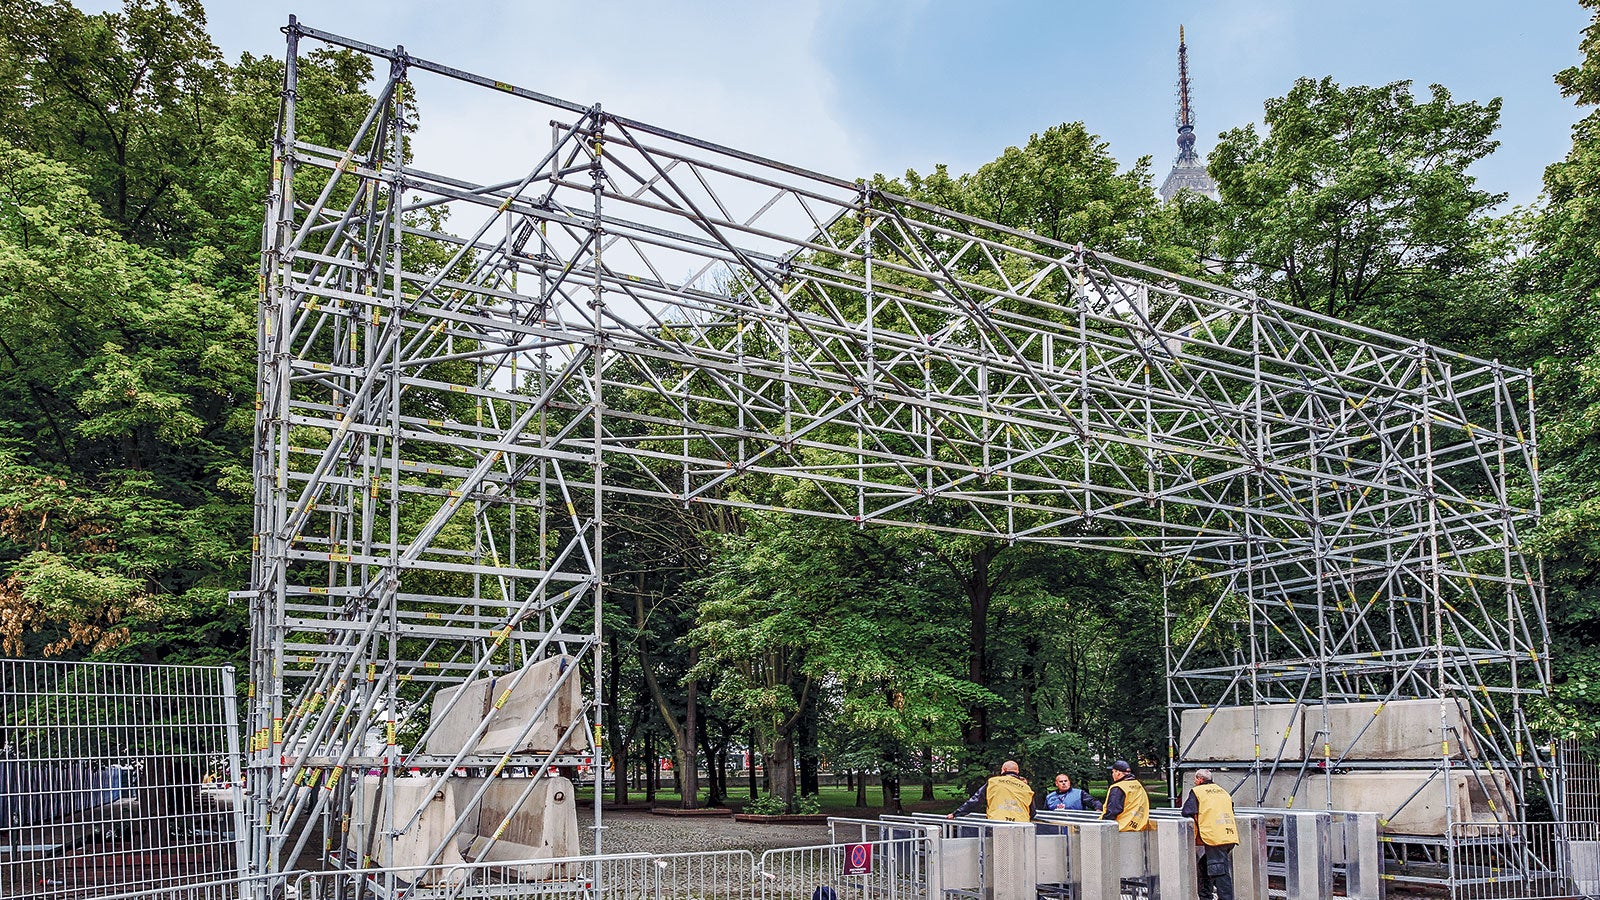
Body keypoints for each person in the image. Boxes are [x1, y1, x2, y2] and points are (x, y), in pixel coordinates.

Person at [1181, 769, 1238, 900]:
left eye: (1195, 779)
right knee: (1205, 865)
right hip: (1229, 834)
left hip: (1213, 837)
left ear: (1200, 779)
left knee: (1219, 871)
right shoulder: (1222, 791)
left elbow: (1187, 811)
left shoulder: (1198, 792)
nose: (1194, 782)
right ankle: (1205, 896)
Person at [947, 759, 1034, 821]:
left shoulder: (994, 782)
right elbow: (1032, 812)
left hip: (997, 822)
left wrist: (956, 813)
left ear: (1003, 770)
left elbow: (975, 800)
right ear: (1017, 772)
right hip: (1022, 825)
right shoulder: (1026, 787)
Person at [1099, 759, 1153, 831]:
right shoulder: (1138, 785)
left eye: (1113, 772)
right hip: (1138, 827)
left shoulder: (1118, 788)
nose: (1112, 775)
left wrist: (1103, 825)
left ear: (1118, 773)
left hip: (1121, 829)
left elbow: (1112, 810)